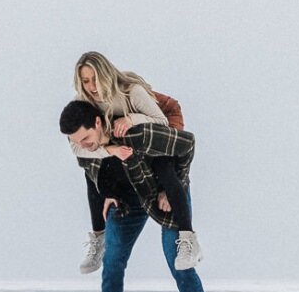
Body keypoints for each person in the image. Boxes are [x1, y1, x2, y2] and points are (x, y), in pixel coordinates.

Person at [58, 98, 218, 292]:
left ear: (98, 123)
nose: (82, 144)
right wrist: (105, 204)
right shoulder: (86, 150)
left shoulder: (134, 132)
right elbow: (93, 183)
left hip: (164, 192)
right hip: (126, 202)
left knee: (178, 262)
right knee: (112, 264)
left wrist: (170, 191)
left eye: (85, 137)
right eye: (77, 141)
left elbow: (167, 162)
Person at [69, 52, 202, 270]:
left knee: (164, 166)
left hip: (153, 137)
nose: (92, 86)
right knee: (89, 167)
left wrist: (130, 119)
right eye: (85, 81)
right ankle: (98, 237)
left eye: (95, 79)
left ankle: (189, 238)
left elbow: (162, 121)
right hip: (121, 146)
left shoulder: (131, 91)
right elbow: (76, 147)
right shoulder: (82, 102)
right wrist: (110, 151)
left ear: (106, 75)